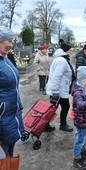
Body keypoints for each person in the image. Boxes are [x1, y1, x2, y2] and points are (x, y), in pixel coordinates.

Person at [0, 26, 24, 156]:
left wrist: (19, 106)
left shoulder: (5, 58)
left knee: (8, 153)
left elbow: (13, 85)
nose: (12, 44)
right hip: (2, 118)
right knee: (3, 156)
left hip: (12, 114)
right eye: (9, 41)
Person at [46, 45, 76, 132]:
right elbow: (56, 76)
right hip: (58, 90)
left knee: (54, 108)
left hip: (59, 89)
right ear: (65, 51)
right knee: (62, 106)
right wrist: (55, 92)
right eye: (70, 50)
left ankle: (46, 125)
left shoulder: (60, 59)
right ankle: (62, 124)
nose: (71, 52)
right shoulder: (62, 61)